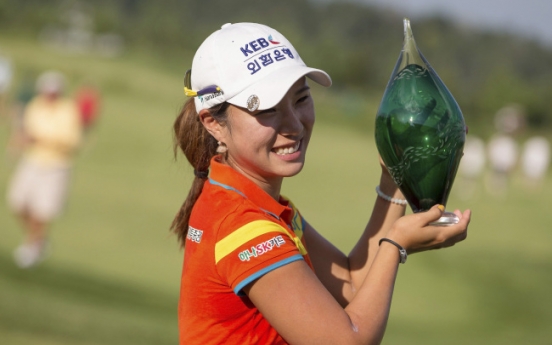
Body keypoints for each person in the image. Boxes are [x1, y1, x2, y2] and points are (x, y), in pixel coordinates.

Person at [172, 23, 471, 345]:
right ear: (214, 124)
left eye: (301, 99)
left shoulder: (250, 204)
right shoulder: (243, 226)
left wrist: (395, 174)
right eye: (269, 109)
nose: (294, 123)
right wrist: (395, 244)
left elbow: (352, 283)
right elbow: (347, 341)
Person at [7, 70, 83, 268]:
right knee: (18, 203)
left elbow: (72, 141)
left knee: (42, 211)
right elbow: (26, 131)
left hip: (56, 165)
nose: (50, 95)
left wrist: (42, 140)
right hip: (32, 161)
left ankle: (33, 246)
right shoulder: (35, 106)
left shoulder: (68, 110)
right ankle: (37, 240)